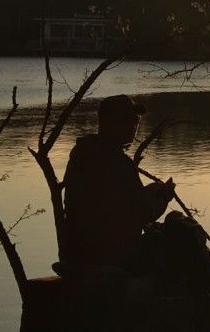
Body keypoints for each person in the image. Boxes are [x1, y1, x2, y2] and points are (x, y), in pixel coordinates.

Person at [61, 94, 175, 273]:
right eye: (124, 120)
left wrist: (148, 193)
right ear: (106, 123)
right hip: (107, 257)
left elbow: (116, 202)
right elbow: (141, 213)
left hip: (77, 253)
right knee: (182, 237)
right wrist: (163, 197)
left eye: (135, 120)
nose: (132, 126)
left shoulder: (82, 152)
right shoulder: (117, 162)